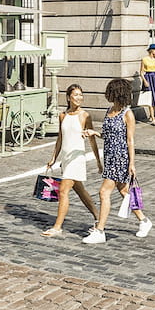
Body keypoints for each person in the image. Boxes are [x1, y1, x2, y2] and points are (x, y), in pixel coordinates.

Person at [82, 78, 153, 244]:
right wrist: (94, 132)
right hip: (109, 156)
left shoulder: (127, 114)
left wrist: (132, 164)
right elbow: (108, 135)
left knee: (104, 192)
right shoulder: (109, 110)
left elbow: (130, 141)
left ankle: (100, 230)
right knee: (124, 192)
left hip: (120, 158)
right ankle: (144, 221)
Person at [42, 84, 102, 238]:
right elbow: (60, 139)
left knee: (63, 191)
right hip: (66, 158)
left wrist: (98, 161)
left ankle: (57, 227)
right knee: (80, 191)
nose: (79, 98)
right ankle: (98, 217)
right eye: (76, 95)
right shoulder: (62, 116)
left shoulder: (85, 116)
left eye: (81, 95)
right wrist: (53, 158)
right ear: (68, 97)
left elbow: (92, 140)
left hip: (77, 158)